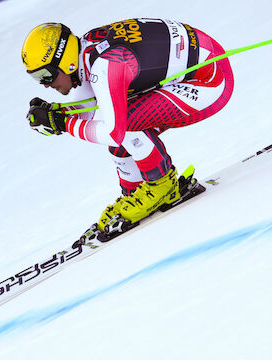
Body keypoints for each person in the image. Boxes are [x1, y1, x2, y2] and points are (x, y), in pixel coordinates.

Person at [22, 18, 234, 232]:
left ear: (65, 61)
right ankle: (133, 194)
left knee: (125, 123)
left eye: (45, 74)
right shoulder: (85, 52)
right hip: (203, 64)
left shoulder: (105, 65)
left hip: (211, 80)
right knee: (120, 128)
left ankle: (161, 186)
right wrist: (57, 115)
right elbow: (86, 114)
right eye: (37, 78)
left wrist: (63, 122)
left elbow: (113, 131)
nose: (46, 84)